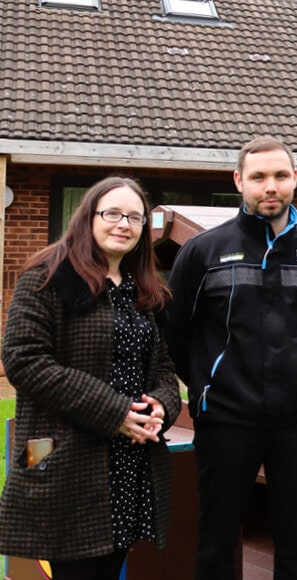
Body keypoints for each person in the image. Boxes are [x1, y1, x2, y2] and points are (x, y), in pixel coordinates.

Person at [165, 136, 297, 580]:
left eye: (280, 176)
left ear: (295, 179)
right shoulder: (203, 252)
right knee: (217, 539)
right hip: (226, 418)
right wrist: (209, 386)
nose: (271, 186)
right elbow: (177, 333)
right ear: (238, 181)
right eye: (259, 177)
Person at [0, 177, 181, 580]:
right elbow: (23, 360)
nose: (124, 223)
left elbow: (164, 368)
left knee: (110, 566)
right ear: (88, 218)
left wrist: (160, 407)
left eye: (135, 217)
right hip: (64, 456)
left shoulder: (144, 291)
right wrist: (115, 411)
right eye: (112, 213)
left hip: (127, 461)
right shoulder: (46, 278)